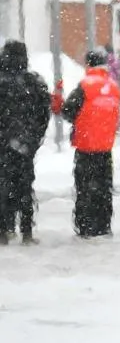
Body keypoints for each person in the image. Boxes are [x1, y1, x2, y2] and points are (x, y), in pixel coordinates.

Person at [61, 47, 120, 237]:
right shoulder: (113, 86)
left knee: (85, 188)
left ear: (88, 64)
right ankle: (103, 224)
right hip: (105, 147)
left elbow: (68, 110)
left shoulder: (85, 85)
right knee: (104, 188)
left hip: (86, 146)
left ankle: (86, 226)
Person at [0, 41, 52, 245]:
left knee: (3, 185)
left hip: (3, 144)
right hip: (25, 146)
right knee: (25, 186)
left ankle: (4, 230)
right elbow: (43, 114)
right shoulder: (34, 82)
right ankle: (27, 232)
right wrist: (32, 140)